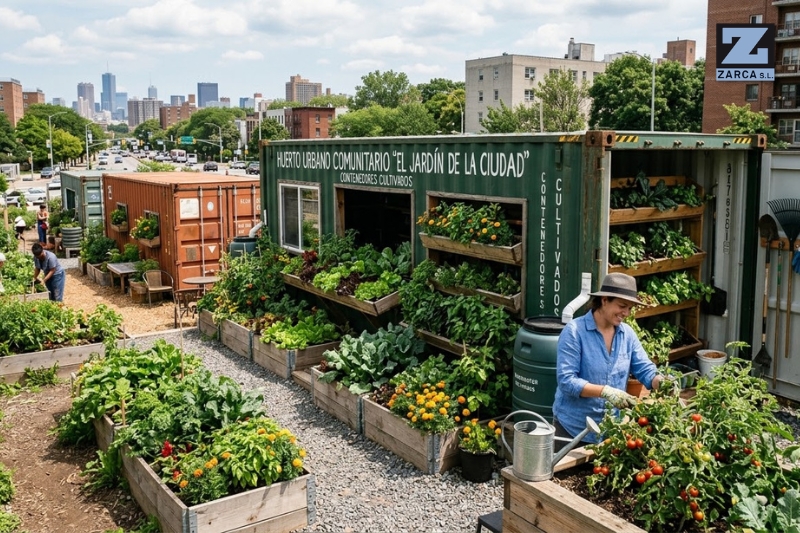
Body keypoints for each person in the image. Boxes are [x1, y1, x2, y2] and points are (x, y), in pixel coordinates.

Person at [552, 273, 669, 444]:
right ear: (604, 300)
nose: (626, 313)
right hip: (573, 430)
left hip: (611, 430)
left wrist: (662, 382)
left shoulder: (627, 334)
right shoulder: (575, 332)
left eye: (630, 308)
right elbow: (567, 381)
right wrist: (606, 391)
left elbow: (646, 370)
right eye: (622, 306)